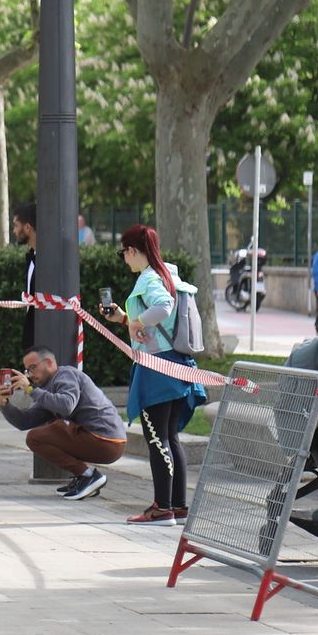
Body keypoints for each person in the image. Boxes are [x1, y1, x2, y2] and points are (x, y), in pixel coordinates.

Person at [100, 224, 207, 524]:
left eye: (123, 253)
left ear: (133, 251)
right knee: (170, 436)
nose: (124, 259)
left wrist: (138, 321)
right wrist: (126, 319)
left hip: (156, 369)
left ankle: (162, 508)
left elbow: (163, 306)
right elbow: (160, 323)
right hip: (176, 364)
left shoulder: (149, 278)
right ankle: (178, 505)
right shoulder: (168, 274)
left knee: (157, 437)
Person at [0, 346, 126, 500]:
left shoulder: (66, 375)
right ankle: (84, 478)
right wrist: (4, 404)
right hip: (101, 441)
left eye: (33, 368)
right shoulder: (45, 389)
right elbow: (24, 421)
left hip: (107, 440)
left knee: (45, 433)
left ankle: (88, 476)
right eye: (27, 370)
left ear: (49, 363)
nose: (30, 375)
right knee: (39, 435)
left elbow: (66, 405)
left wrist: (31, 390)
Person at [13, 202, 38, 354]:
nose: (14, 231)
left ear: (27, 227)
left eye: (16, 225)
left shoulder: (45, 261)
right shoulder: (31, 258)